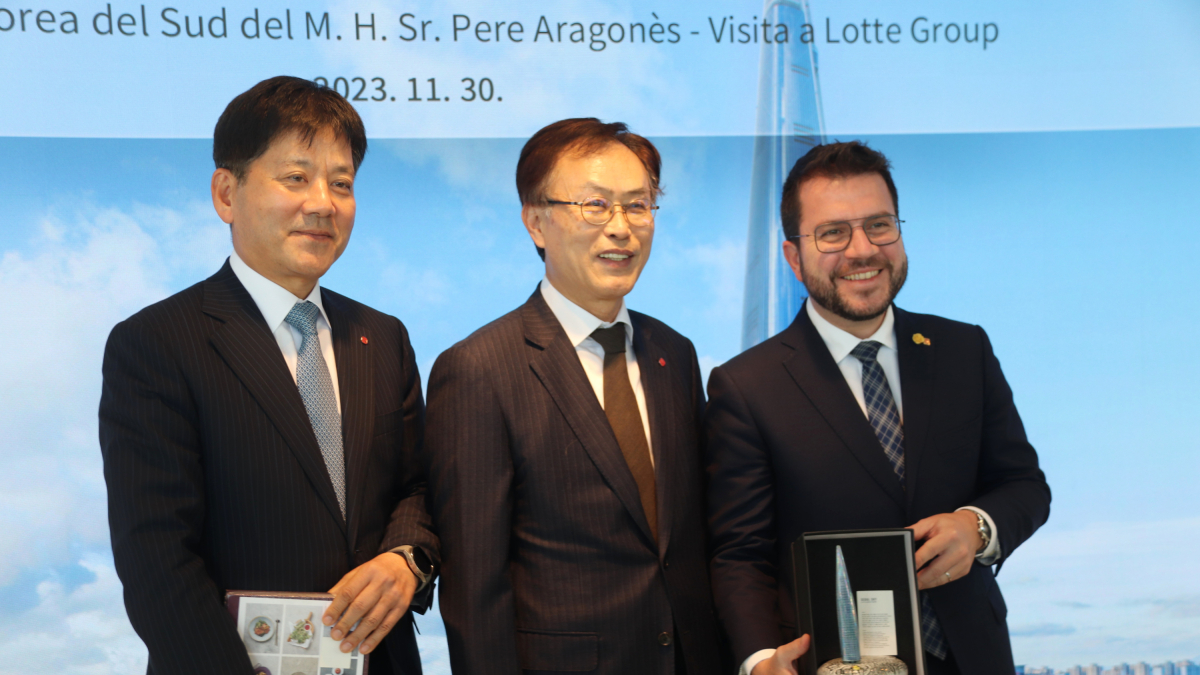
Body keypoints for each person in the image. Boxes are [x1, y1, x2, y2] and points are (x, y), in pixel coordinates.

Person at [99, 76, 437, 675]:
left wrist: (407, 559)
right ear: (226, 194)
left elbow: (418, 487)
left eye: (342, 183)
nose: (322, 203)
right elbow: (158, 561)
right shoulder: (157, 342)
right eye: (295, 178)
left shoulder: (384, 337)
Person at [705, 141, 1050, 675]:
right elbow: (740, 554)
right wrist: (759, 661)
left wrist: (977, 527)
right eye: (833, 233)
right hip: (833, 663)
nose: (862, 250)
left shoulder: (965, 350)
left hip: (974, 657)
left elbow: (1024, 484)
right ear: (793, 256)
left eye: (879, 225)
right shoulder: (747, 386)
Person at [425, 118, 725, 675]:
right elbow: (475, 589)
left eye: (638, 206)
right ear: (536, 222)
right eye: (595, 206)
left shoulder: (674, 354)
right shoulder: (478, 369)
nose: (621, 228)